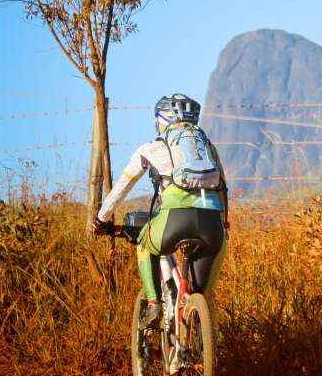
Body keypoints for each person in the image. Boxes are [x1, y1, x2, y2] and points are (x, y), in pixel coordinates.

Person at [92, 93, 228, 329]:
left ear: (162, 120)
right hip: (212, 226)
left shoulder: (152, 148)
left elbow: (123, 186)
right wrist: (224, 222)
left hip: (174, 220)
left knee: (145, 242)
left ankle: (154, 303)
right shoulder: (207, 147)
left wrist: (101, 218)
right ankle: (202, 343)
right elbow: (223, 188)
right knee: (202, 295)